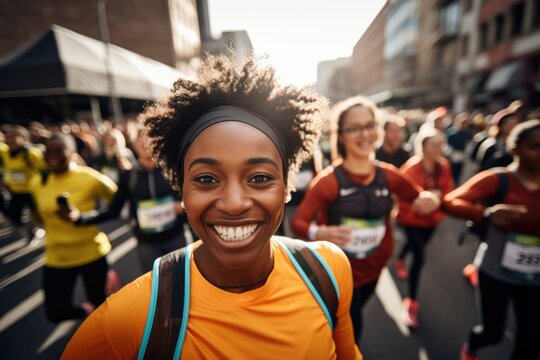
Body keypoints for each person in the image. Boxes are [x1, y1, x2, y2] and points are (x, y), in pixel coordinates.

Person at [62, 54, 362, 359]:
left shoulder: (328, 270)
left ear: (286, 187)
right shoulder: (128, 320)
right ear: (181, 190)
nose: (234, 204)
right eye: (206, 178)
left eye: (259, 177)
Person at [290, 95, 440, 342]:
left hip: (374, 268)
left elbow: (419, 196)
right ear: (342, 135)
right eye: (354, 128)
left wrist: (430, 199)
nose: (364, 134)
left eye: (369, 125)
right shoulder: (328, 181)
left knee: (352, 319)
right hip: (339, 273)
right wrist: (320, 233)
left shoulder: (389, 176)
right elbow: (299, 224)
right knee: (351, 325)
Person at [443, 120, 540, 360]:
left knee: (530, 342)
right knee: (493, 333)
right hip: (495, 272)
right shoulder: (499, 179)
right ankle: (472, 345)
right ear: (514, 149)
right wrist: (486, 214)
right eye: (534, 146)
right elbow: (450, 201)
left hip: (536, 277)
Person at [57, 127, 190, 273]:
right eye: (141, 139)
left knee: (186, 281)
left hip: (177, 237)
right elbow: (114, 209)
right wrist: (80, 218)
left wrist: (184, 205)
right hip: (147, 244)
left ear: (158, 142)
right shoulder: (129, 176)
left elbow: (192, 195)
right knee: (157, 288)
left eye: (150, 138)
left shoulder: (173, 169)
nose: (146, 143)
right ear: (134, 145)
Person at [30, 133, 117, 322]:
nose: (52, 156)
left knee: (103, 308)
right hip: (57, 257)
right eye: (48, 151)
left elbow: (117, 206)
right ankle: (85, 312)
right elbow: (37, 211)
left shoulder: (91, 178)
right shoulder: (37, 182)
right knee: (55, 313)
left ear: (72, 152)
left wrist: (82, 217)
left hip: (92, 254)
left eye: (59, 151)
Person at [394, 127, 454, 329]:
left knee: (415, 246)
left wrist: (437, 200)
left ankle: (400, 258)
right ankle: (411, 302)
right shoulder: (411, 168)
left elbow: (448, 192)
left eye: (440, 143)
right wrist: (420, 206)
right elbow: (400, 196)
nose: (439, 148)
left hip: (432, 220)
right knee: (419, 256)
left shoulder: (444, 166)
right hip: (411, 220)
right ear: (422, 146)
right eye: (434, 144)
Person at [0, 125, 47, 242]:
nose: (10, 140)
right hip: (15, 190)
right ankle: (27, 228)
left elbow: (44, 171)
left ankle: (35, 231)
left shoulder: (31, 153)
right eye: (8, 137)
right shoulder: (4, 152)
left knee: (36, 215)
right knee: (14, 216)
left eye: (14, 137)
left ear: (24, 138)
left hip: (32, 191)